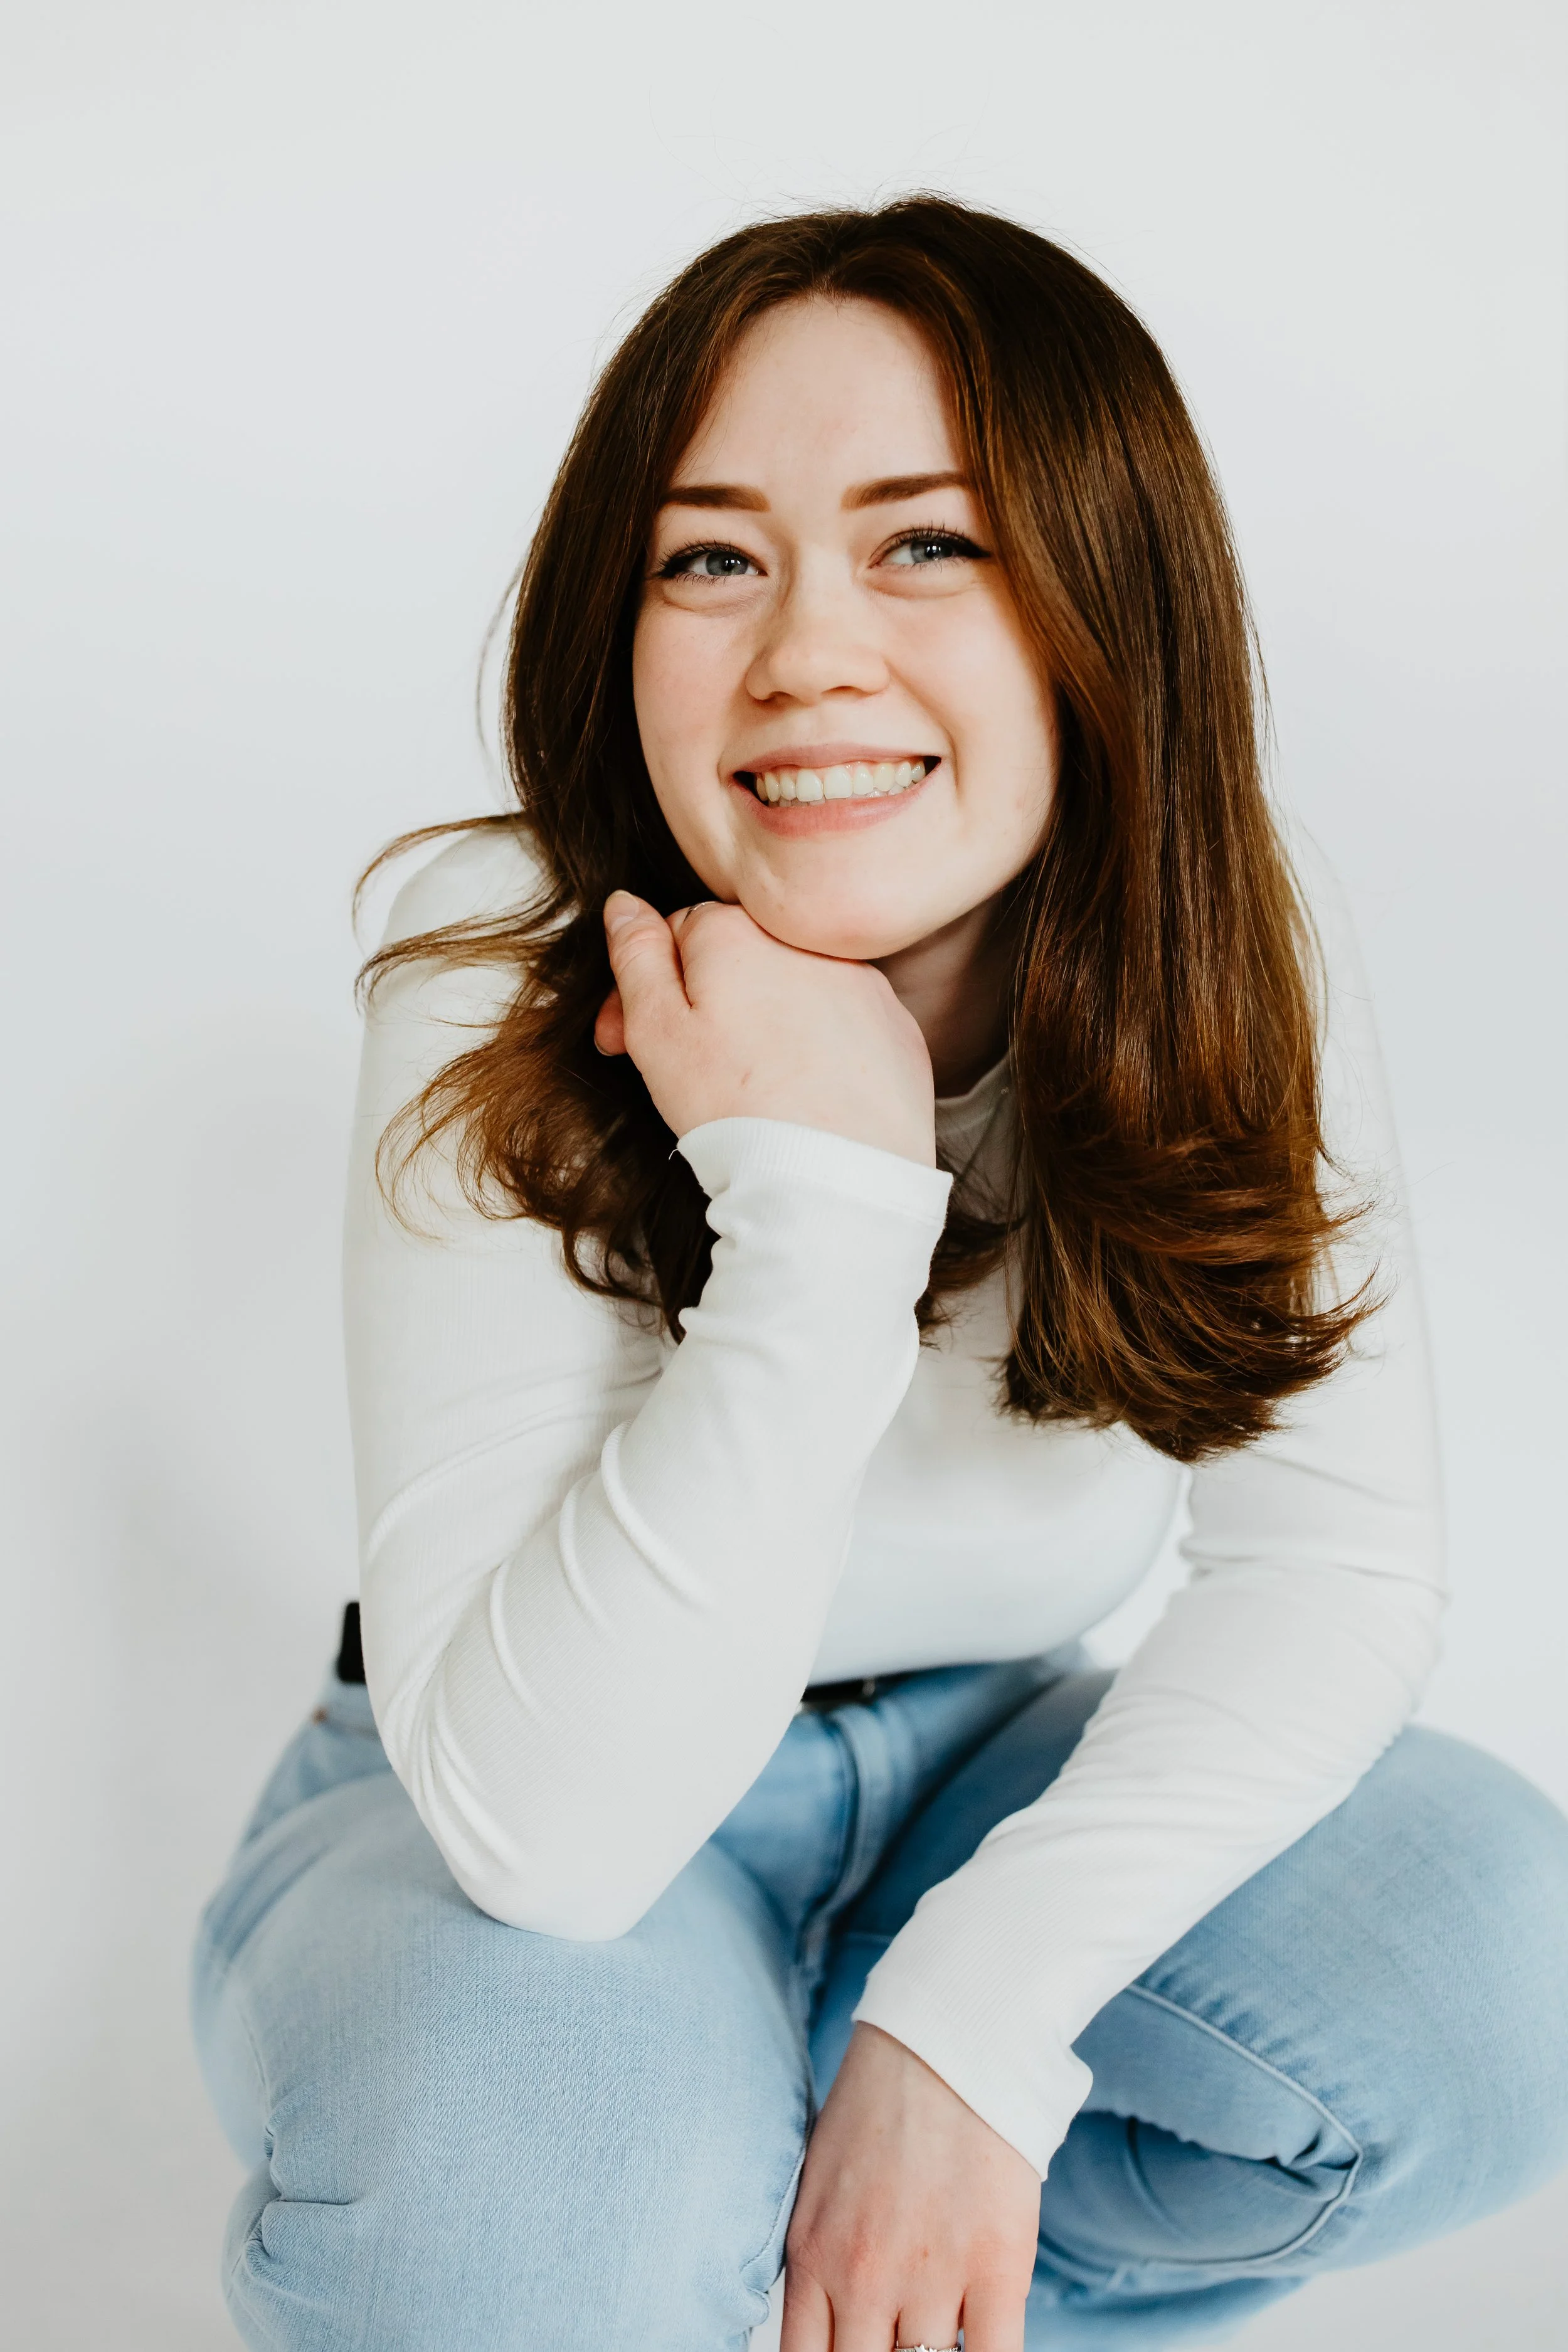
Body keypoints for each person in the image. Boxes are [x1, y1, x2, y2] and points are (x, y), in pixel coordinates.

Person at [191, 199, 1568, 2352]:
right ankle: (699, 2210)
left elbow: (1327, 1573)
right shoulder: (495, 961)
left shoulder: (1228, 942)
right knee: (511, 2218)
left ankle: (840, 2235)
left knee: (1496, 1961)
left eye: (930, 544)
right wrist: (820, 1211)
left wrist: (973, 2034)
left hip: (978, 1764)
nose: (806, 651)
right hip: (508, 1803)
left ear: (1104, 602)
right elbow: (549, 1837)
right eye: (709, 556)